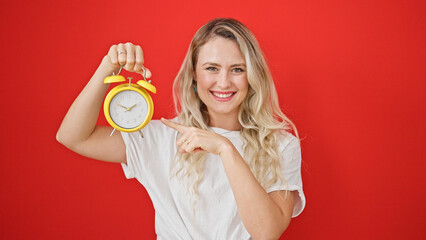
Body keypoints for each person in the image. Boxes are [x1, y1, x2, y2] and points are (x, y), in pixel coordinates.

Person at [57, 18, 305, 240]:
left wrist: (225, 148)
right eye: (212, 68)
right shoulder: (159, 137)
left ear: (252, 76)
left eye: (237, 69)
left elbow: (267, 232)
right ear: (194, 75)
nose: (224, 82)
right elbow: (73, 137)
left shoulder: (281, 145)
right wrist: (107, 67)